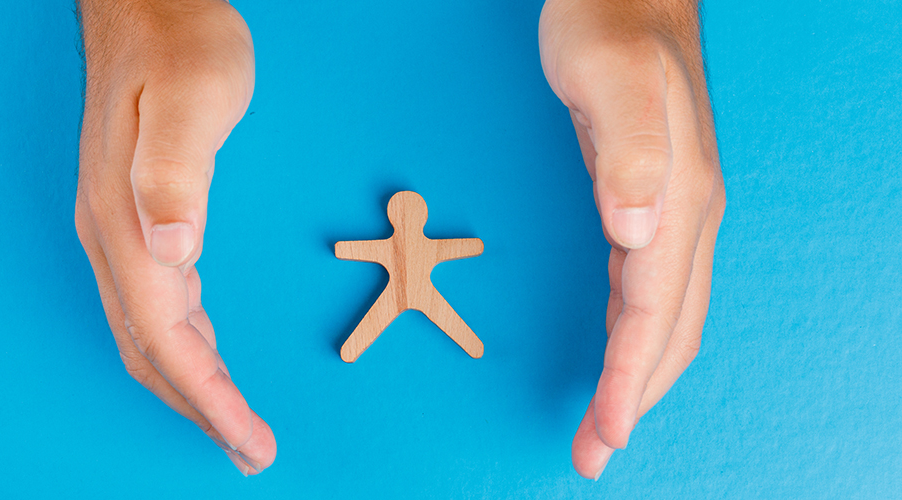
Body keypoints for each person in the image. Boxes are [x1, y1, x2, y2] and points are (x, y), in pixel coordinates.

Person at [73, 0, 725, 480]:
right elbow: (385, 249)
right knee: (399, 319)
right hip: (403, 286)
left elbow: (431, 249)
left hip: (412, 284)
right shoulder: (402, 239)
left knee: (426, 318)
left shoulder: (409, 239)